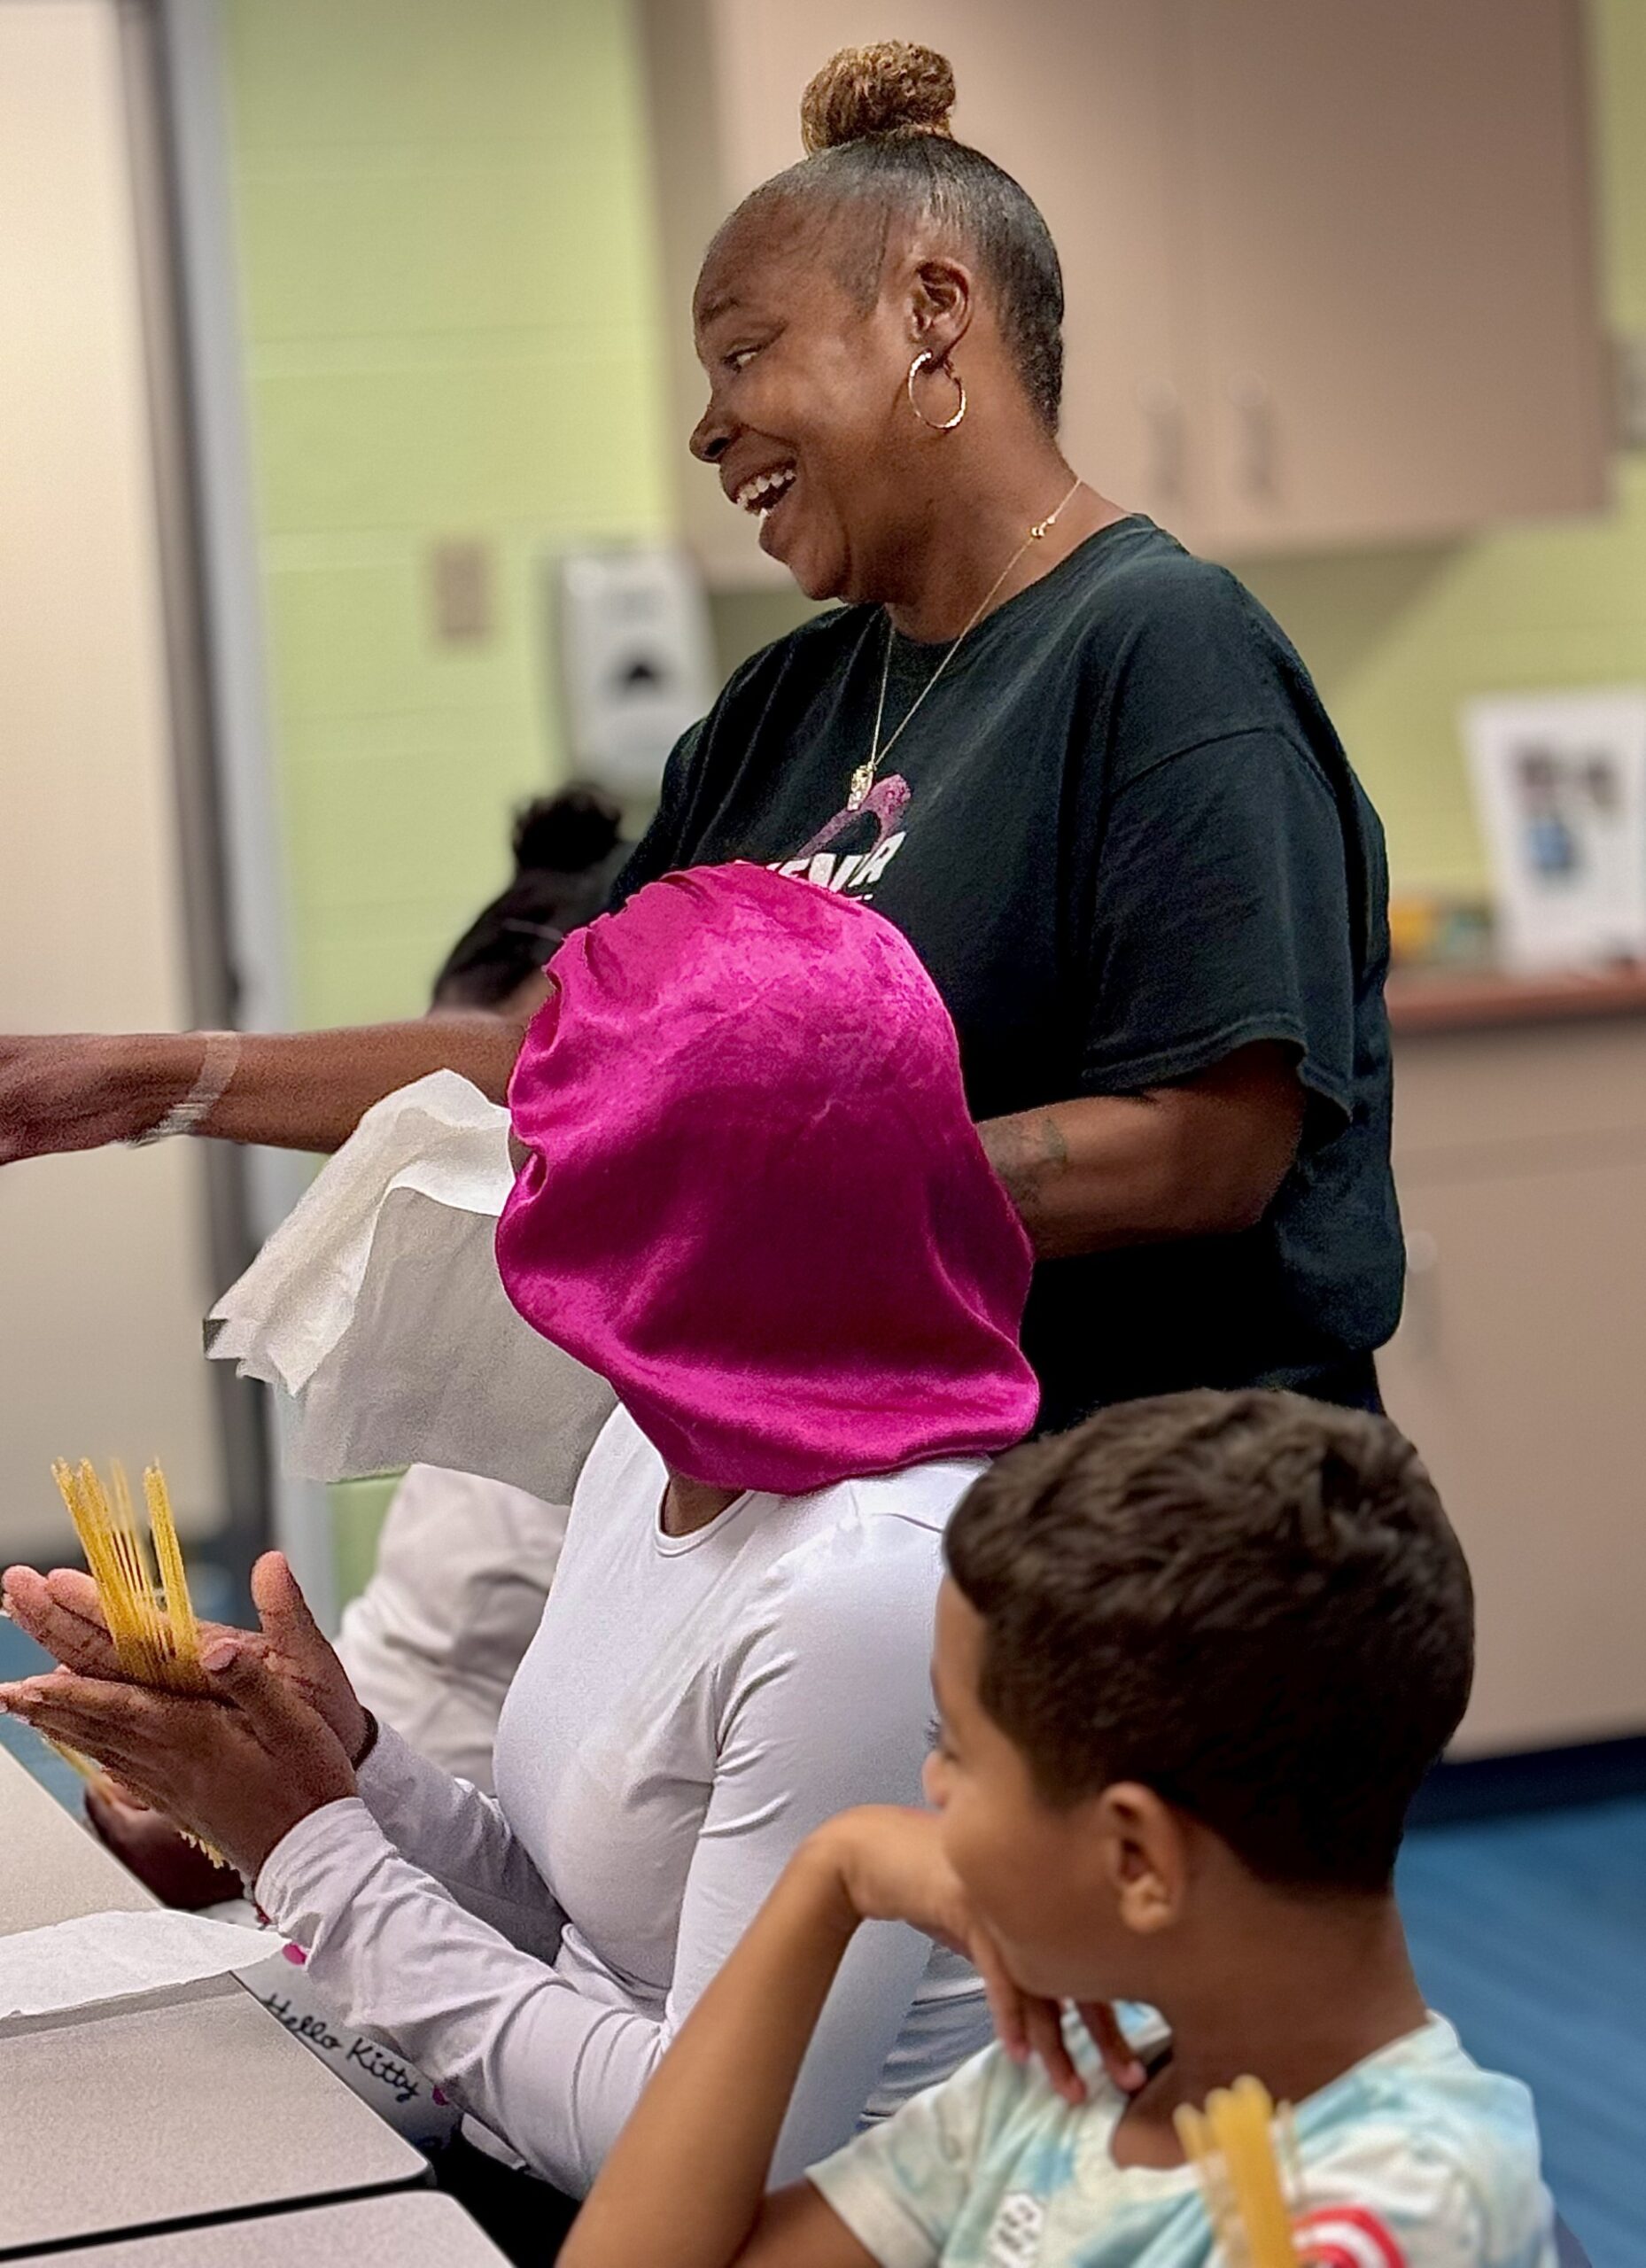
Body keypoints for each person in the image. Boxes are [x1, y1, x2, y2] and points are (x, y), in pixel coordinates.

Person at [0, 40, 1402, 1432]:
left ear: (931, 312)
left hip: (1163, 1512)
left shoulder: (1160, 648)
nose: (707, 428)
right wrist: (151, 1081)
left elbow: (1200, 1149)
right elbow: (550, 1057)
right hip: (887, 1502)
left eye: (743, 354)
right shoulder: (779, 709)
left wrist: (755, 1209)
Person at [0, 864, 1039, 2257]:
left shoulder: (869, 1588)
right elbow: (577, 1926)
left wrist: (300, 1845)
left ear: (681, 1199)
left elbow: (698, 2154)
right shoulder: (653, 1446)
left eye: (553, 1134)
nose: (519, 1174)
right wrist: (343, 1758)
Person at [556, 1390, 1555, 2268]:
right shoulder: (1068, 2082)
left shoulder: (1413, 2212)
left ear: (1136, 1858)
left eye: (956, 1751)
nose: (929, 1788)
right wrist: (832, 1871)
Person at [84, 784, 630, 1903]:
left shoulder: (657, 1407)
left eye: (499, 1124)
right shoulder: (504, 1345)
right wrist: (205, 1779)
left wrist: (276, 1813)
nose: (465, 1177)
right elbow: (407, 1685)